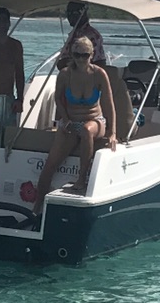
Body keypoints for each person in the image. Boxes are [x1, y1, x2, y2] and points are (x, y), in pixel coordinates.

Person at [31, 36, 118, 206]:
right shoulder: (65, 75)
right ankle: (37, 206)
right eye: (77, 55)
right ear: (72, 55)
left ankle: (81, 179)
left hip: (95, 121)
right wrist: (65, 119)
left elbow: (109, 104)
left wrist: (113, 133)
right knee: (50, 165)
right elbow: (58, 99)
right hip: (71, 122)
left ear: (91, 55)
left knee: (87, 130)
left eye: (84, 55)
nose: (80, 59)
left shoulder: (99, 74)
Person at [56, 0, 108, 68]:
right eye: (68, 13)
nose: (69, 16)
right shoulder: (74, 34)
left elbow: (97, 63)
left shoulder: (92, 35)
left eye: (74, 13)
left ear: (83, 14)